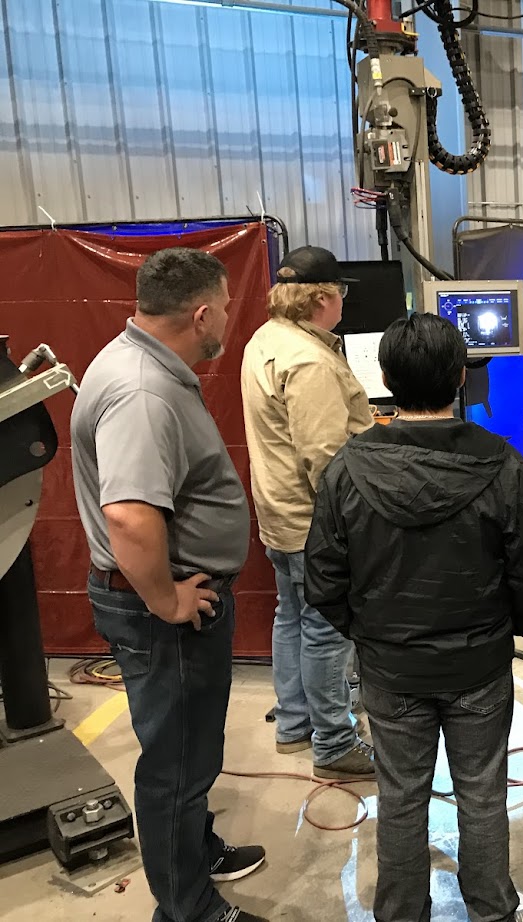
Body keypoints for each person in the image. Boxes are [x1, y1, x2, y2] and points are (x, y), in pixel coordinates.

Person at [304, 313, 523, 922]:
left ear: (384, 378)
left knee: (401, 798)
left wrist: (368, 634)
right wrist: (511, 628)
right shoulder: (503, 465)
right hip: (478, 667)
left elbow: (323, 580)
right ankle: (493, 908)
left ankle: (400, 912)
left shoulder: (346, 470)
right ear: (459, 379)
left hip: (391, 669)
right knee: (482, 795)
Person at [71, 248, 267, 922]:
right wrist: (168, 600)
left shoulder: (141, 363)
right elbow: (128, 514)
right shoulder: (144, 390)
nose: (225, 325)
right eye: (224, 313)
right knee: (176, 763)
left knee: (192, 747)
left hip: (171, 601)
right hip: (163, 609)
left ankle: (197, 851)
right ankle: (188, 908)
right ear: (202, 312)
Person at [240, 245, 375, 781]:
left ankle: (295, 723)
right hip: (314, 521)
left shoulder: (266, 339)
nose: (343, 302)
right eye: (340, 293)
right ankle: (334, 742)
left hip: (279, 514)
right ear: (322, 297)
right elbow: (326, 459)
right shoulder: (310, 361)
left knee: (291, 616)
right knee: (324, 629)